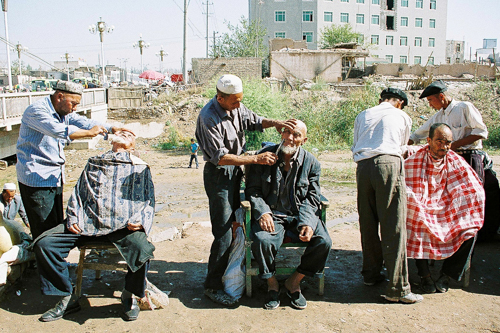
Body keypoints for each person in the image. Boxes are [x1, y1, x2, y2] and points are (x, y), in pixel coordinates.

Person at [33, 131, 155, 322]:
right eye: (120, 131)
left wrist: (140, 221)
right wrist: (73, 217)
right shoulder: (94, 162)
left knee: (142, 249)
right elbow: (78, 193)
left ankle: (129, 295)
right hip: (87, 223)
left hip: (121, 228)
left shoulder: (140, 168)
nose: (123, 132)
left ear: (133, 146)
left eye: (129, 133)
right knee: (45, 244)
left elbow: (148, 201)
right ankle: (67, 296)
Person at [195, 74, 295, 306]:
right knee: (223, 232)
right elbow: (220, 158)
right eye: (234, 102)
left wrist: (276, 123)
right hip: (219, 175)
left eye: (240, 100)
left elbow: (255, 121)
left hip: (235, 171)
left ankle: (226, 272)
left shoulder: (236, 106)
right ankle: (212, 285)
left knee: (235, 225)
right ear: (220, 98)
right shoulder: (208, 117)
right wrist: (255, 159)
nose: (239, 105)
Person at [16, 80, 133, 240]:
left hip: (54, 176)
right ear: (59, 97)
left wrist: (111, 128)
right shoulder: (37, 111)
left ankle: (51, 262)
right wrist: (89, 133)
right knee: (44, 230)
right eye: (73, 103)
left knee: (54, 225)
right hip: (37, 179)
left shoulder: (63, 112)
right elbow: (58, 130)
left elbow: (84, 122)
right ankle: (43, 263)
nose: (75, 108)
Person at [246, 120, 331, 310]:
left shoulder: (311, 163)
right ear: (281, 133)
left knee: (323, 242)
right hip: (273, 214)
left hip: (300, 214)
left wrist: (308, 222)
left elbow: (312, 196)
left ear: (304, 140)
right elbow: (253, 190)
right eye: (286, 132)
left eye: (296, 135)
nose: (290, 138)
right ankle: (272, 284)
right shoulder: (263, 157)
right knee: (262, 239)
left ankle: (294, 282)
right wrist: (263, 212)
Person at [352, 87, 423, 304]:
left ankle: (371, 274)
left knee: (368, 222)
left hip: (363, 167)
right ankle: (398, 288)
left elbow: (356, 143)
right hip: (388, 165)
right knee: (394, 226)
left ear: (381, 100)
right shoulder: (401, 115)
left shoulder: (363, 114)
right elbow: (401, 147)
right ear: (400, 102)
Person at [408, 80, 500, 240]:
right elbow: (419, 133)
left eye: (431, 100)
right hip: (452, 159)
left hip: (470, 155)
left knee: (472, 195)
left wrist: (453, 144)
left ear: (441, 96)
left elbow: (481, 132)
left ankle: (479, 235)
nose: (430, 105)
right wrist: (404, 144)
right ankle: (460, 234)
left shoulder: (464, 107)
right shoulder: (439, 116)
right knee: (454, 197)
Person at [405, 123, 485, 293]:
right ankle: (425, 276)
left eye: (448, 142)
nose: (444, 146)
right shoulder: (416, 159)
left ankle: (447, 275)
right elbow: (406, 186)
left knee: (471, 231)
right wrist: (419, 206)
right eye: (439, 141)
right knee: (417, 224)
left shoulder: (456, 160)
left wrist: (457, 205)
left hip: (448, 211)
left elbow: (473, 187)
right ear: (429, 140)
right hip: (424, 209)